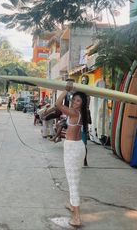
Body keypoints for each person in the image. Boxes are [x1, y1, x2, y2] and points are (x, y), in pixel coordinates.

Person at [55, 81, 88, 227]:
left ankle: (77, 217)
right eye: (74, 99)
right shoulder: (81, 113)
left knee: (72, 182)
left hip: (73, 149)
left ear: (82, 103)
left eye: (78, 100)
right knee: (74, 179)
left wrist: (65, 90)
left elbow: (57, 104)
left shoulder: (74, 112)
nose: (75, 102)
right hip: (78, 147)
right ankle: (71, 204)